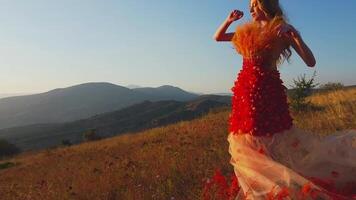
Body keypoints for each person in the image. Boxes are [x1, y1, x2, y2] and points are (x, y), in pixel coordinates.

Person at [213, 0, 356, 199]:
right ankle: (264, 191)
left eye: (255, 4)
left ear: (266, 5)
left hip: (268, 95)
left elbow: (310, 61)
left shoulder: (281, 30)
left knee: (273, 142)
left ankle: (282, 188)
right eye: (250, 6)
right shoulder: (247, 32)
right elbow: (218, 37)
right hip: (245, 95)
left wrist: (296, 36)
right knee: (247, 143)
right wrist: (229, 20)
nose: (252, 9)